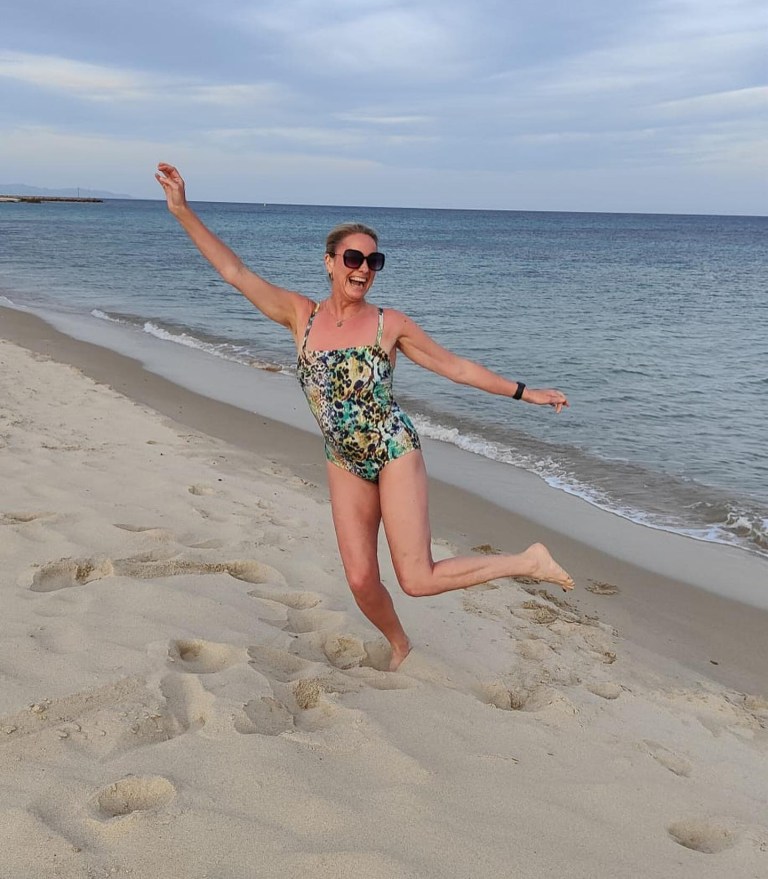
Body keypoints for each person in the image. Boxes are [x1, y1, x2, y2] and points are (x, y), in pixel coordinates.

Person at [156, 163, 574, 670]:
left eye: (373, 261)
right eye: (353, 257)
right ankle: (400, 644)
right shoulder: (300, 316)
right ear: (330, 262)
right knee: (359, 579)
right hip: (343, 458)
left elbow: (456, 367)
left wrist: (525, 393)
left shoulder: (387, 324)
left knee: (416, 579)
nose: (364, 268)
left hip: (393, 450)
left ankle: (527, 561)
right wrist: (181, 210)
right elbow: (235, 272)